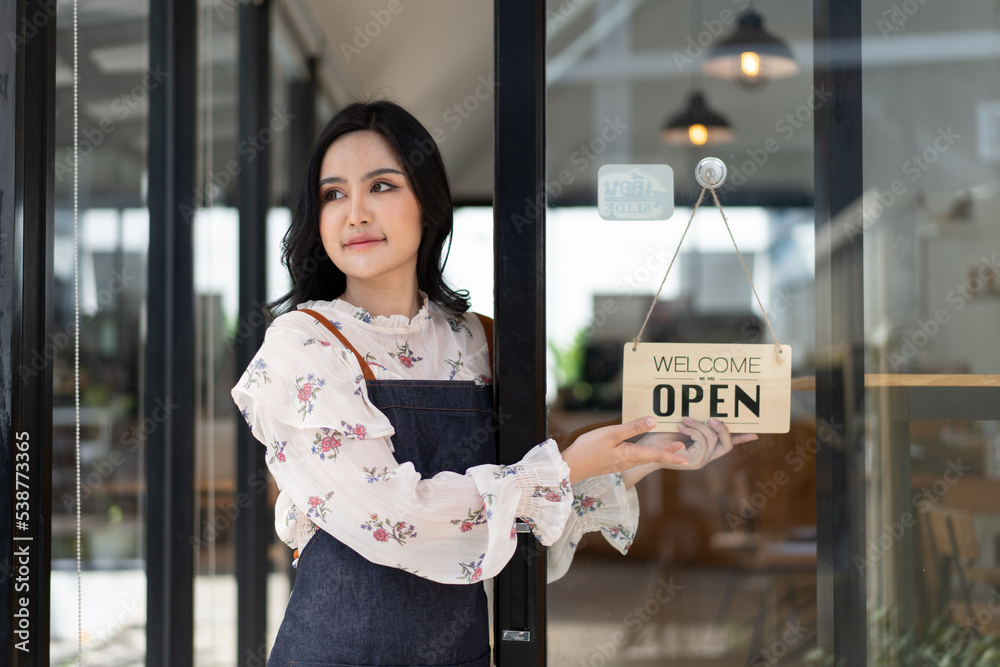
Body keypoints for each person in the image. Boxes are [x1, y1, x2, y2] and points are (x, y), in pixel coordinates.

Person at [231, 99, 757, 667]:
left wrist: (653, 453)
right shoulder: (303, 344)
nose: (354, 212)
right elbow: (396, 517)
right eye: (334, 194)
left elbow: (532, 506)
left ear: (427, 204)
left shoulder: (477, 341)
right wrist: (569, 465)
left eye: (381, 186)